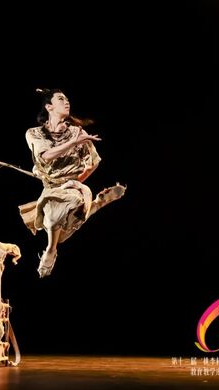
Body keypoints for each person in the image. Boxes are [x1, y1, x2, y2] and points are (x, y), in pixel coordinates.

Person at [18, 88, 126, 278]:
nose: (66, 102)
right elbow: (46, 156)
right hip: (51, 188)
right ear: (49, 107)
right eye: (61, 99)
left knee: (56, 215)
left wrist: (75, 181)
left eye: (67, 99)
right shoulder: (34, 133)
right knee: (60, 233)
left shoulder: (76, 132)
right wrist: (72, 143)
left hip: (72, 188)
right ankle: (96, 205)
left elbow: (93, 162)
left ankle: (50, 250)